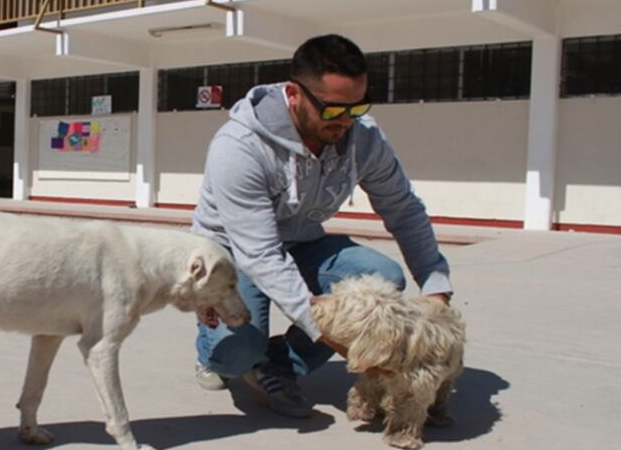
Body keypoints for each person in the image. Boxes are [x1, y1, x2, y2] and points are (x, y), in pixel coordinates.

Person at [190, 34, 452, 417]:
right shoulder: (240, 146)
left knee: (381, 278)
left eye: (357, 107)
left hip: (301, 243)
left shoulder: (364, 138)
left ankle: (280, 364)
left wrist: (435, 285)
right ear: (294, 94)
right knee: (236, 354)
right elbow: (260, 254)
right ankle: (214, 352)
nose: (346, 120)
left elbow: (403, 210)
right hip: (231, 253)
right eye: (333, 109)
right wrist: (336, 334)